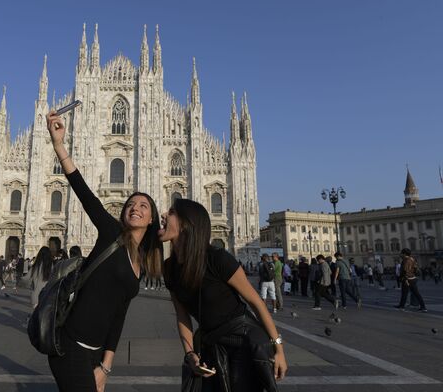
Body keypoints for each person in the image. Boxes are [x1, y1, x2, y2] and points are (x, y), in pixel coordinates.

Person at [46, 110, 164, 392]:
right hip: (70, 343)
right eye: (131, 205)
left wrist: (106, 366)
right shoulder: (111, 232)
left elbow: (119, 315)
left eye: (143, 206)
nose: (135, 207)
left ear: (151, 219)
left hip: (95, 353)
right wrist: (59, 145)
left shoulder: (140, 264)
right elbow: (85, 193)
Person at [160, 198, 287, 390]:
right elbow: (182, 315)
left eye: (170, 212)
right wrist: (190, 354)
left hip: (244, 340)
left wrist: (279, 349)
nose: (163, 215)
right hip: (210, 342)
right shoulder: (169, 268)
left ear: (186, 224)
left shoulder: (217, 258)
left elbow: (255, 302)